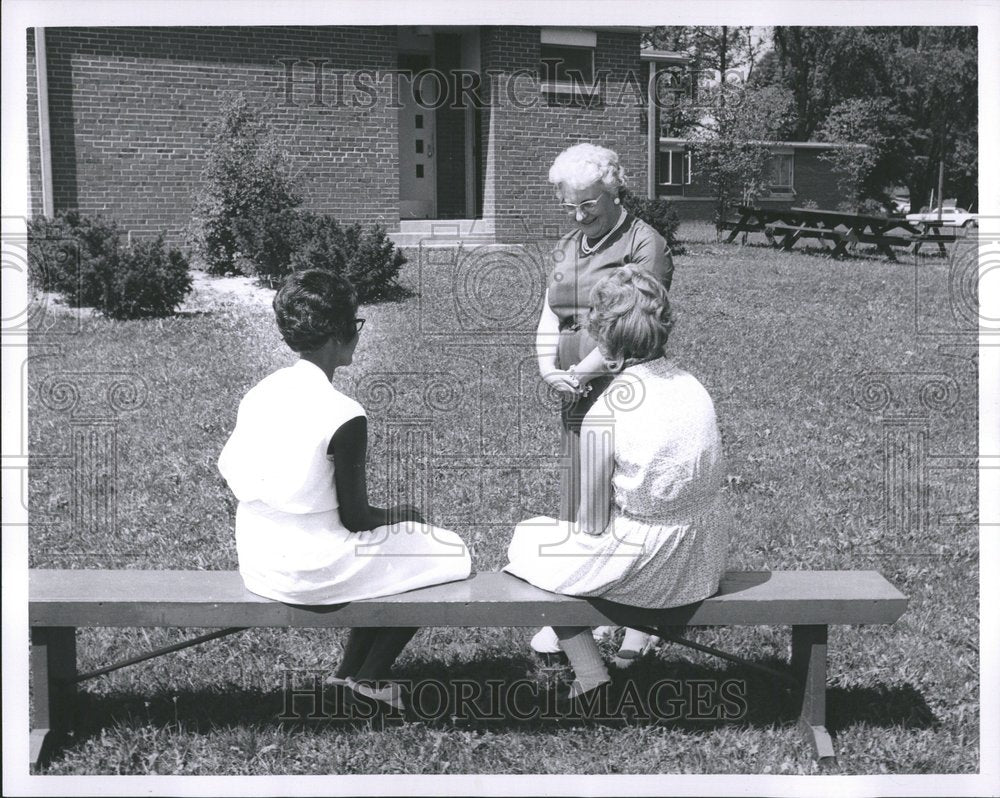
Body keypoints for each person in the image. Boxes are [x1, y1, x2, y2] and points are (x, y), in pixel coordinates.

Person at [218, 269, 471, 712]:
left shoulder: (261, 391)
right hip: (308, 570)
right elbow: (355, 519)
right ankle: (370, 678)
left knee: (394, 555)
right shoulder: (343, 414)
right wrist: (405, 514)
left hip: (257, 558)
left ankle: (348, 674)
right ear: (341, 334)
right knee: (446, 552)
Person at [507, 266, 730, 706]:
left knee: (527, 543)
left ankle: (590, 673)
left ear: (602, 338)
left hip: (652, 570)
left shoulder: (605, 411)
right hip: (706, 557)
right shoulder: (694, 387)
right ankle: (601, 659)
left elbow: (591, 523)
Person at [534, 142, 674, 664]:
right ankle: (581, 612)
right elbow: (551, 311)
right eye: (569, 205)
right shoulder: (571, 244)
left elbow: (632, 324)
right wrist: (550, 367)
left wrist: (582, 369)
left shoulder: (645, 243)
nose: (577, 215)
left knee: (628, 500)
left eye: (587, 204)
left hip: (624, 385)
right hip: (574, 386)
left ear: (613, 190)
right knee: (582, 497)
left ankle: (640, 622)